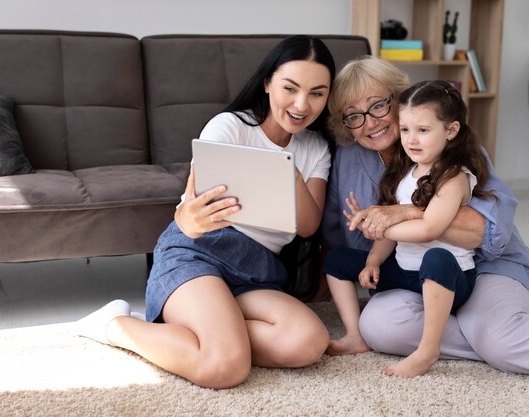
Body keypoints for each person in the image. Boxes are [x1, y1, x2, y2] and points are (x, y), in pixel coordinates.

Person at [76, 35, 335, 389]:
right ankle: (115, 326)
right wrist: (188, 219)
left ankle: (209, 332)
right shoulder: (229, 127)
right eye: (290, 88)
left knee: (308, 342)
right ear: (267, 83)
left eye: (317, 93)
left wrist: (287, 170)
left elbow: (307, 227)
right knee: (224, 368)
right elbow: (188, 215)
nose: (302, 104)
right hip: (200, 253)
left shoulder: (316, 148)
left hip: (257, 271)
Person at [321, 56, 529, 381]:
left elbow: (482, 233)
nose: (369, 123)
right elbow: (337, 233)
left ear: (401, 100)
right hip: (413, 271)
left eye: (379, 106)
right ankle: (486, 336)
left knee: (495, 335)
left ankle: (490, 336)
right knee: (378, 327)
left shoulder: (453, 150)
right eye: (353, 115)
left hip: (482, 268)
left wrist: (406, 210)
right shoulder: (346, 158)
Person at [326, 79, 496, 378]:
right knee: (336, 260)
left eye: (423, 131)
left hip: (450, 279)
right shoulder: (407, 171)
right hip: (408, 272)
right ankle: (355, 334)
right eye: (405, 130)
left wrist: (379, 227)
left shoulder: (454, 177)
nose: (411, 140)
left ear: (451, 131)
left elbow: (429, 228)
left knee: (437, 257)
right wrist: (373, 260)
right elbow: (393, 222)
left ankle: (427, 350)